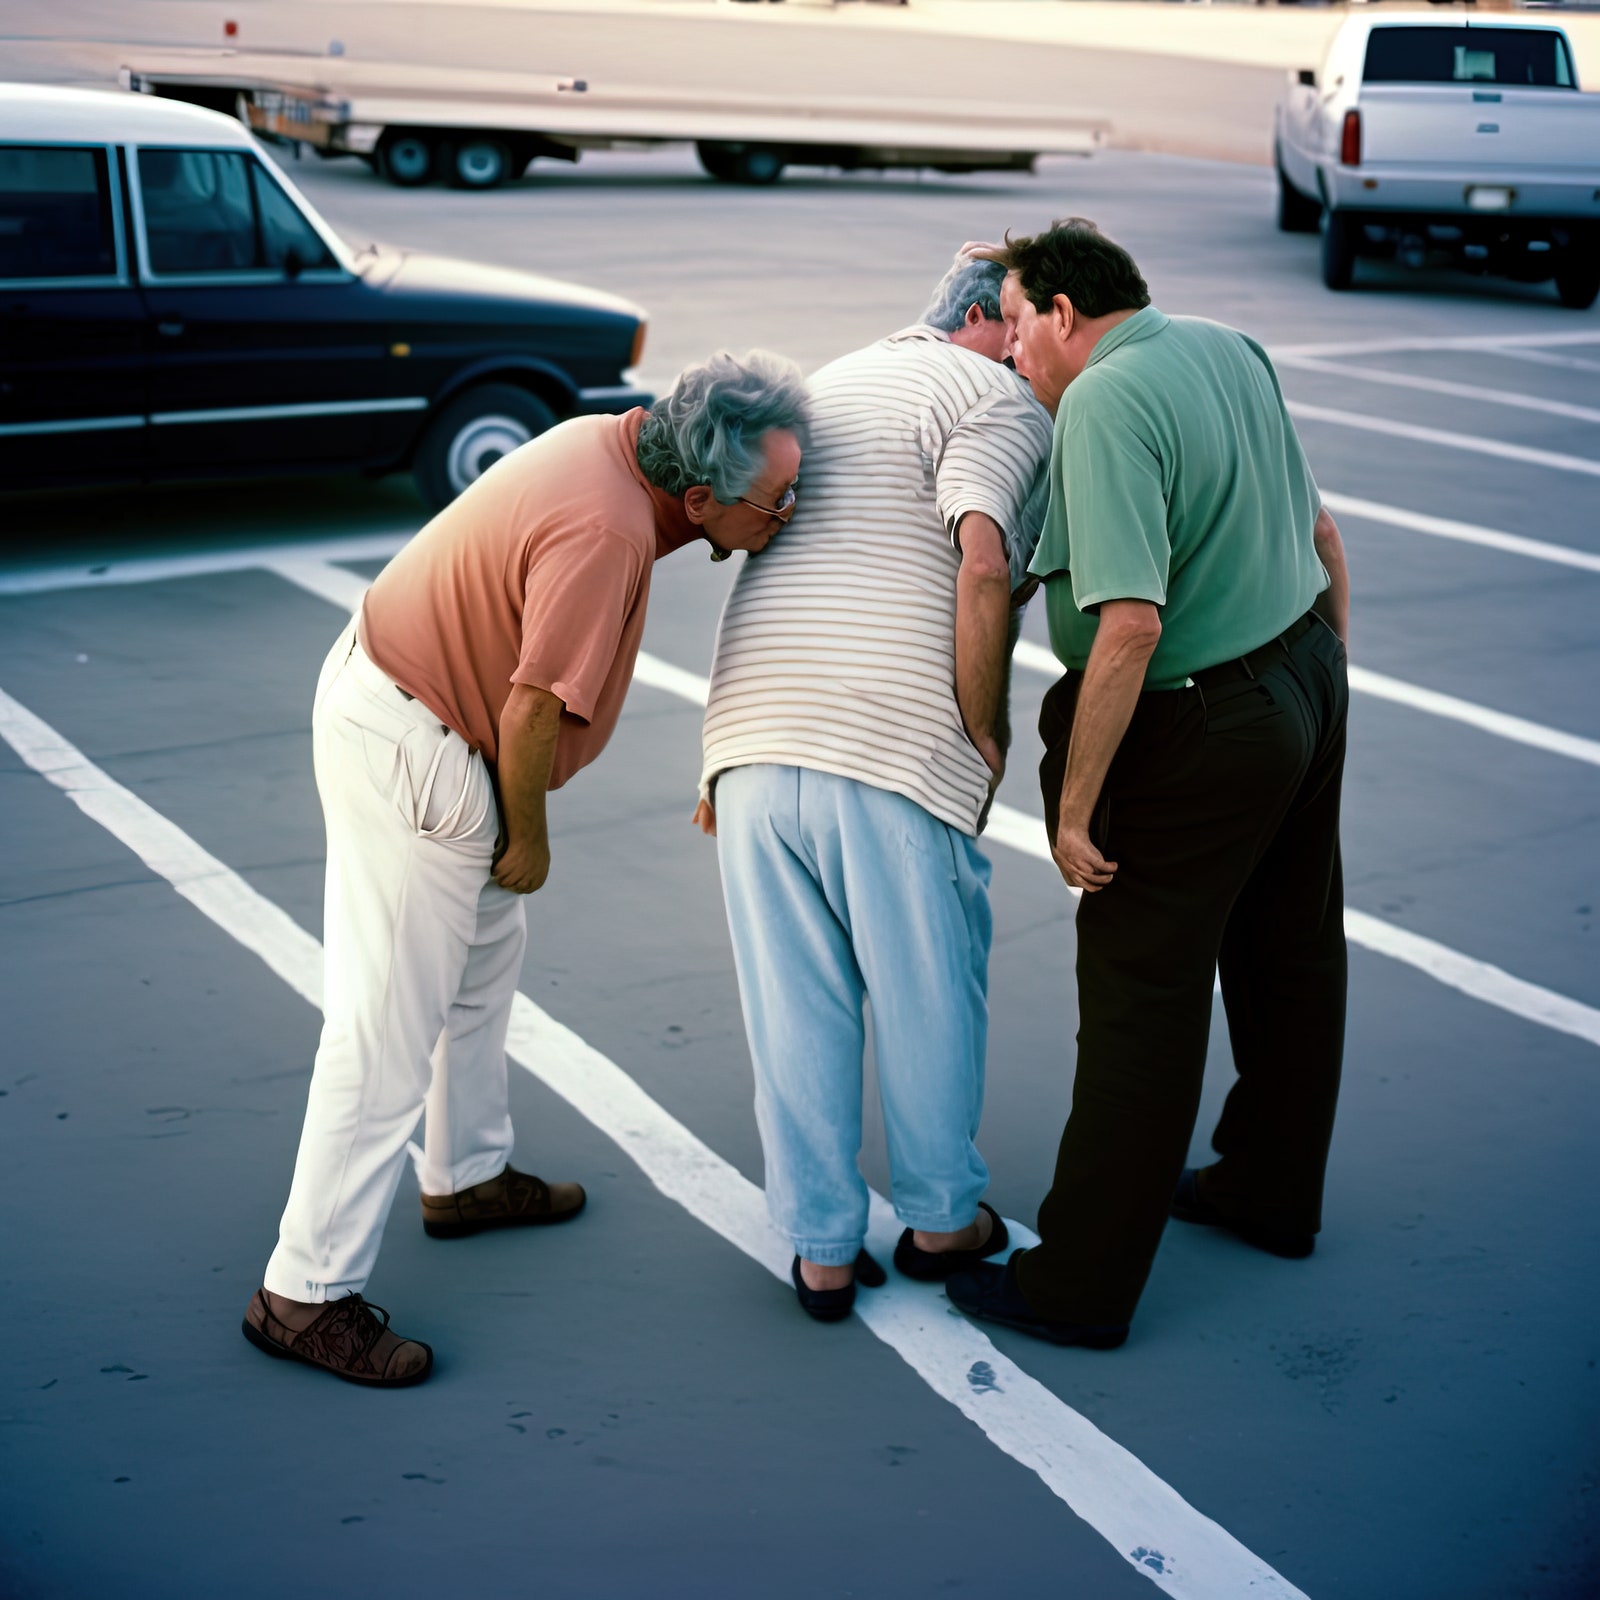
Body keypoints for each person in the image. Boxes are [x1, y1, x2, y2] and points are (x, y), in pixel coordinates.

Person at [244, 352, 809, 1385]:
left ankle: (463, 1174)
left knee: (481, 962)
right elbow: (531, 706)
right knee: (383, 1028)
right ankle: (302, 1292)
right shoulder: (608, 528)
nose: (787, 514)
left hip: (402, 705)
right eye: (778, 501)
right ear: (698, 498)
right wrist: (529, 837)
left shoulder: (608, 441)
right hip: (421, 742)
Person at [947, 218, 1351, 1349]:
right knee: (1291, 951)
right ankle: (1269, 1189)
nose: (1012, 348)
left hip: (1199, 722)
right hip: (1300, 673)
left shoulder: (1104, 404)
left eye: (1019, 323)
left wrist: (1071, 811)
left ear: (1067, 316)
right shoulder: (1228, 346)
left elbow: (1125, 627)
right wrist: (1321, 686)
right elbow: (1321, 533)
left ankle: (1077, 1284)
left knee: (1141, 998)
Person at [695, 251, 1053, 1322]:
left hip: (753, 731)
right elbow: (983, 560)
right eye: (1033, 324)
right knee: (928, 985)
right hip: (890, 736)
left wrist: (717, 754)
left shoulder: (833, 381)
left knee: (791, 1000)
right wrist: (984, 730)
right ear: (989, 320)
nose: (1043, 353)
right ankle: (943, 1217)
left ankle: (820, 1248)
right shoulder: (996, 399)